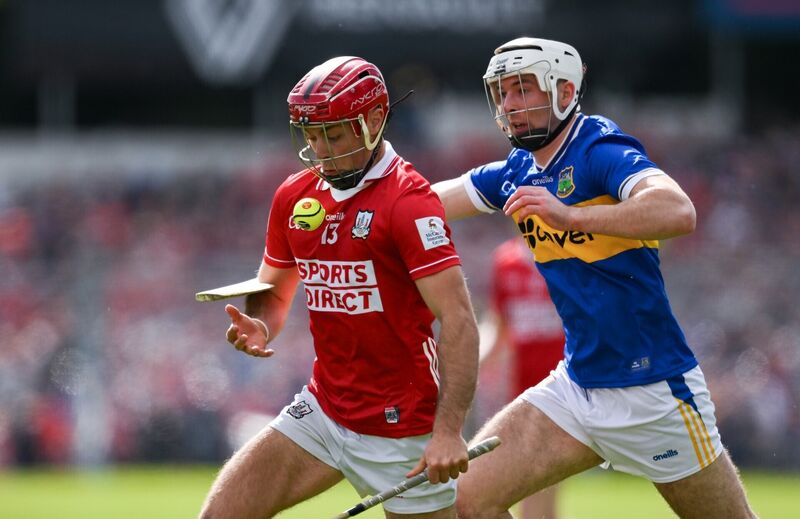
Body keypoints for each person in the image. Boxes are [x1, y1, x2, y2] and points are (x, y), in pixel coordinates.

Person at [433, 37, 759, 518]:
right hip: (576, 388)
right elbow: (423, 203)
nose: (509, 105)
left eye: (523, 89)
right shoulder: (517, 170)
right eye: (502, 92)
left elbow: (678, 210)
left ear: (564, 92)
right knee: (469, 500)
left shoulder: (600, 147)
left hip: (655, 392)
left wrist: (574, 218)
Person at [199, 56, 479, 519]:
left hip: (402, 428)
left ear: (372, 121)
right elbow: (274, 289)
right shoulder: (294, 195)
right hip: (324, 410)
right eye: (311, 136)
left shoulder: (409, 202)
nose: (320, 149)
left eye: (333, 135)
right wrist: (262, 326)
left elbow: (460, 321)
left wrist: (448, 431)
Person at [480, 237, 565, 519]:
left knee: (538, 480)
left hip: (565, 384)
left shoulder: (569, 252)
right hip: (522, 389)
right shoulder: (505, 259)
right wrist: (472, 362)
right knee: (537, 485)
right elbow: (499, 323)